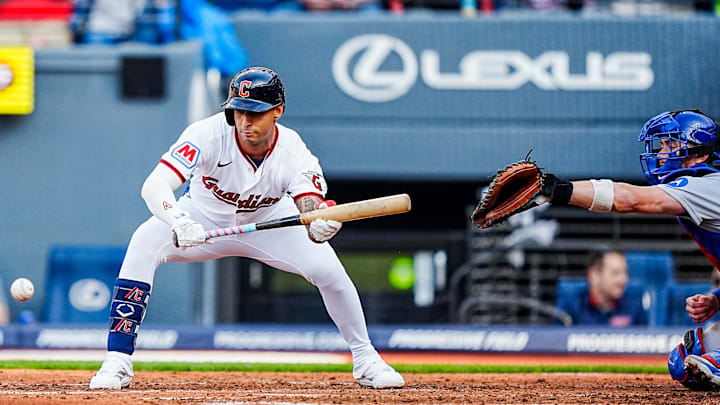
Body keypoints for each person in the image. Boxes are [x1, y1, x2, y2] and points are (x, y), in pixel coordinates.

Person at [88, 67, 404, 390]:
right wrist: (177, 219)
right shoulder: (207, 134)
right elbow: (154, 185)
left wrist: (319, 225)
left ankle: (366, 359)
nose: (244, 122)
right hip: (200, 217)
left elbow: (309, 209)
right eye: (238, 112)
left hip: (268, 222)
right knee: (143, 241)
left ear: (278, 111)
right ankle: (117, 361)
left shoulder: (294, 151)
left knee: (329, 270)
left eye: (255, 113)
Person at [523, 109, 720, 390]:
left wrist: (555, 190)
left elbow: (630, 199)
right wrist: (717, 299)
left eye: (669, 144)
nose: (661, 153)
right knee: (685, 362)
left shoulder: (706, 186)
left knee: (715, 363)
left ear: (700, 154)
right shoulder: (706, 186)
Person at [556, 249, 647, 327]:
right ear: (594, 276)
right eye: (615, 273)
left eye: (625, 272)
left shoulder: (634, 303)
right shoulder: (572, 304)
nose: (623, 279)